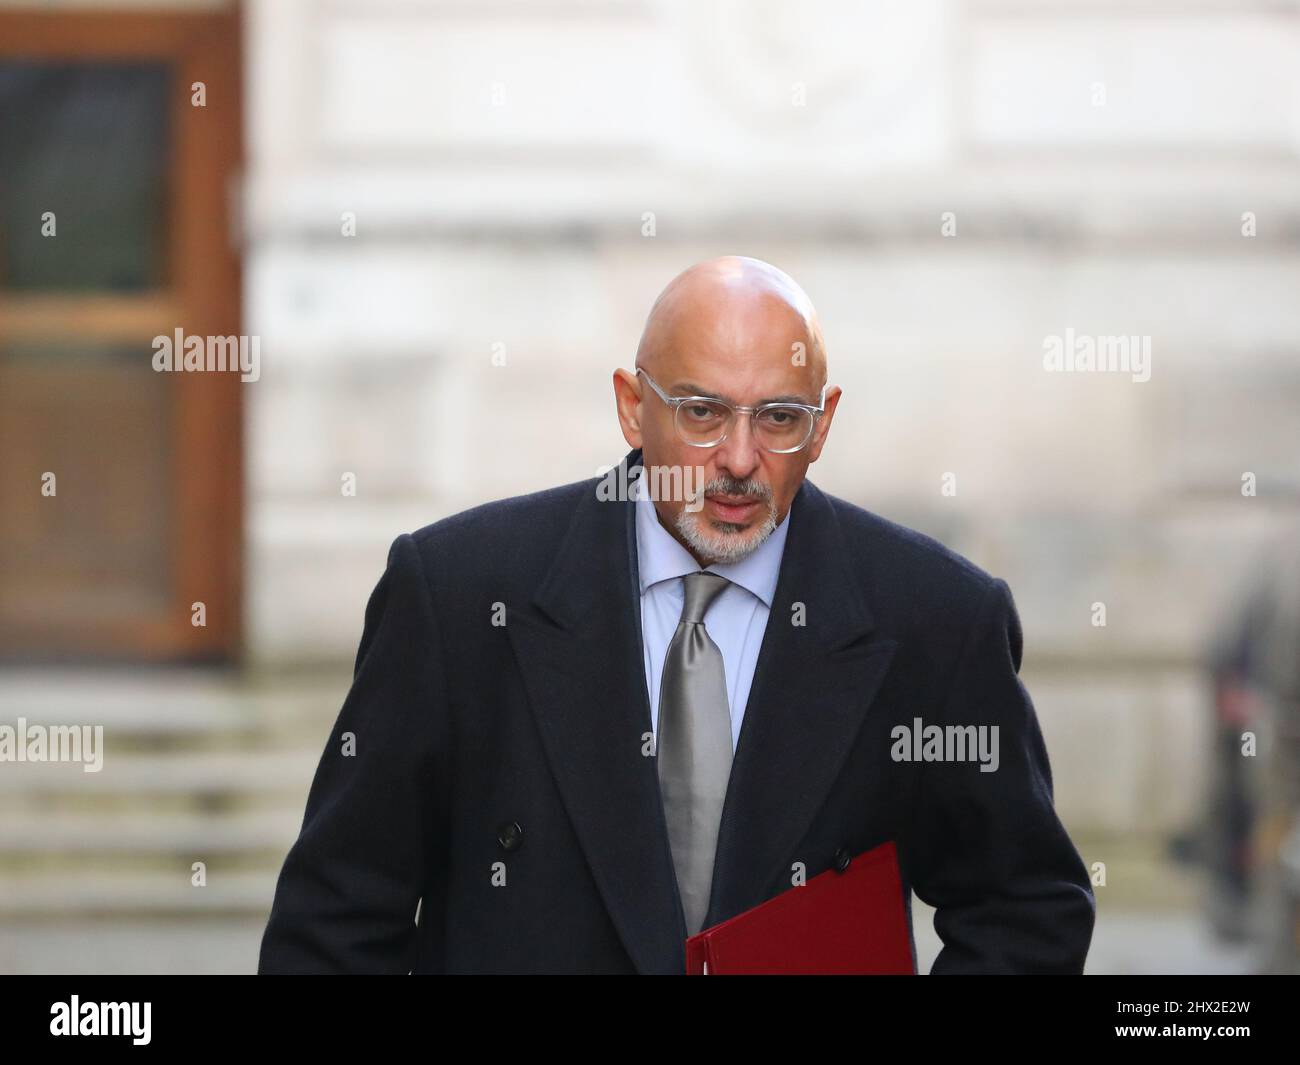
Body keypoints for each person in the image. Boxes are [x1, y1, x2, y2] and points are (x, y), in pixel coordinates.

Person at [258, 255, 1095, 974]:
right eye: (701, 412)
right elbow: (335, 922)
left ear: (824, 422)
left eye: (778, 418)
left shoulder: (935, 619)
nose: (737, 458)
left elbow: (1025, 909)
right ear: (632, 405)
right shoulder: (460, 595)